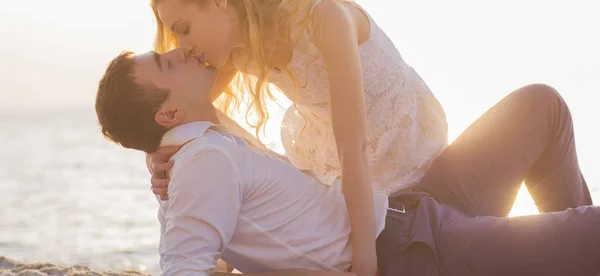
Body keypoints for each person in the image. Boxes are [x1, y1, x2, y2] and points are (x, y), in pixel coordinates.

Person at [146, 0, 594, 276]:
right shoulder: (231, 53)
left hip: (428, 180)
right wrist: (161, 156)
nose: (183, 45)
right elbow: (189, 114)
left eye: (183, 28)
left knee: (542, 104)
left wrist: (365, 265)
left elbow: (352, 148)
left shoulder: (323, 18)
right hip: (397, 216)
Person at [95, 48, 600, 276]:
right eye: (166, 63)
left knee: (541, 107)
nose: (181, 50)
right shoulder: (202, 160)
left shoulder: (205, 149)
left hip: (409, 211)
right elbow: (185, 266)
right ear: (169, 111)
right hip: (413, 253)